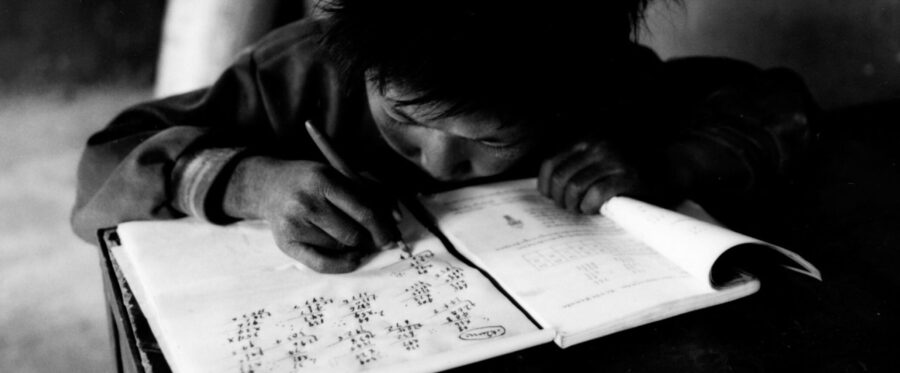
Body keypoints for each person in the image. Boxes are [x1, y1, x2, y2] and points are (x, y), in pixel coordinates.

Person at [71, 0, 817, 273]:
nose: (438, 161)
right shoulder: (301, 70)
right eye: (404, 119)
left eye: (491, 142)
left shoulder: (596, 83)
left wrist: (666, 159)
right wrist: (247, 180)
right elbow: (109, 156)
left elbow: (777, 102)